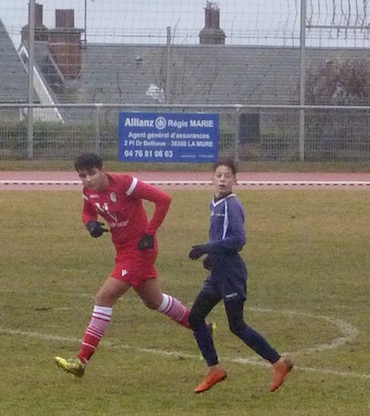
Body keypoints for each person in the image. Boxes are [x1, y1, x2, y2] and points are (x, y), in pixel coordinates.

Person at [55, 153, 193, 378]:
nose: (88, 179)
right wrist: (90, 224)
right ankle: (201, 326)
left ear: (102, 169)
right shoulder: (88, 191)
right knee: (154, 301)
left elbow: (164, 200)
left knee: (104, 297)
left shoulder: (125, 183)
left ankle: (81, 361)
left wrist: (150, 233)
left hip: (140, 250)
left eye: (92, 174)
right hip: (122, 251)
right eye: (82, 176)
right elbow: (88, 210)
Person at [186, 159, 294, 393]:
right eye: (219, 175)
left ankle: (279, 363)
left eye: (227, 175)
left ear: (235, 180)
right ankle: (214, 369)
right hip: (218, 273)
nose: (222, 179)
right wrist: (211, 256)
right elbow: (220, 236)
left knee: (237, 325)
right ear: (212, 179)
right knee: (195, 317)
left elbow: (238, 240)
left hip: (231, 275)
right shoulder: (215, 203)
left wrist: (206, 248)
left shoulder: (231, 205)